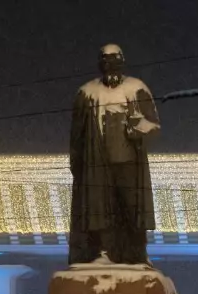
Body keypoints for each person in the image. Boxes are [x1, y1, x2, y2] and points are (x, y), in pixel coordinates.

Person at [68, 43, 161, 265]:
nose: (109, 65)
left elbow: (154, 125)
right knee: (99, 208)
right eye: (105, 61)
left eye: (114, 61)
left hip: (128, 162)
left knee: (131, 207)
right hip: (98, 164)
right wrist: (77, 165)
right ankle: (102, 252)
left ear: (122, 62)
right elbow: (76, 135)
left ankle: (137, 253)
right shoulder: (87, 93)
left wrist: (137, 129)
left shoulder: (137, 88)